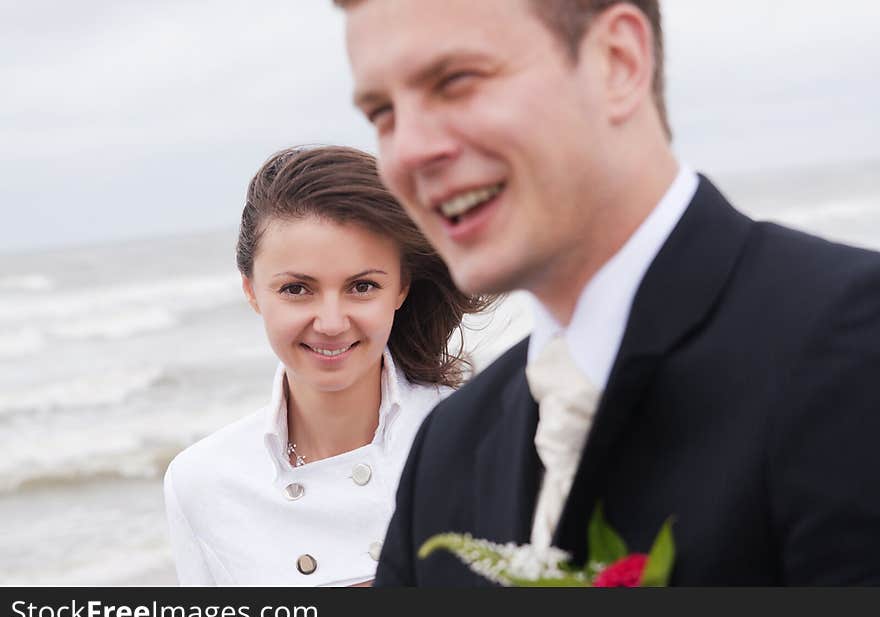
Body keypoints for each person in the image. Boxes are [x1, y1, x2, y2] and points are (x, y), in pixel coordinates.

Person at [335, 0, 880, 585]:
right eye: (383, 113)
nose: (410, 151)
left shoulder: (854, 343)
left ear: (617, 62)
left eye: (456, 82)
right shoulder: (446, 450)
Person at [163, 145, 490, 585]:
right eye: (297, 289)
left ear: (401, 288)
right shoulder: (202, 481)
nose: (332, 323)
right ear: (252, 291)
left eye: (362, 286)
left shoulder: (480, 437)